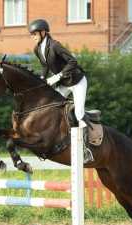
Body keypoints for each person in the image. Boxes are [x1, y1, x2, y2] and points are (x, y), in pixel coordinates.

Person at [29, 19, 93, 161]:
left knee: (79, 113)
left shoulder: (55, 46)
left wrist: (57, 76)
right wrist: (42, 80)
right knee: (51, 107)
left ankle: (86, 149)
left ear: (43, 32)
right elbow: (45, 66)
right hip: (63, 84)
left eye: (34, 33)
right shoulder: (37, 49)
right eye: (31, 34)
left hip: (76, 81)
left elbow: (73, 62)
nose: (32, 36)